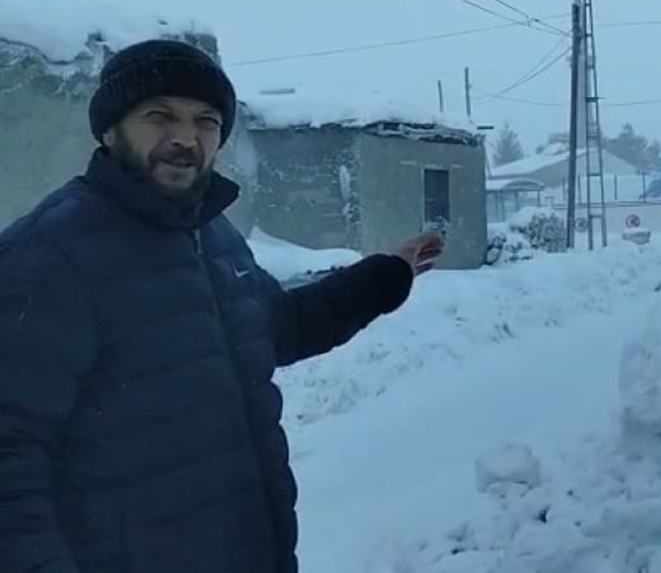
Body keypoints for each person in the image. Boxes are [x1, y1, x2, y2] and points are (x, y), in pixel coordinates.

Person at [0, 39, 445, 573]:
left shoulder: (211, 235)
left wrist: (386, 275)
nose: (184, 138)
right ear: (110, 129)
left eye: (206, 121)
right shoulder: (48, 255)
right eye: (159, 115)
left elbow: (277, 326)